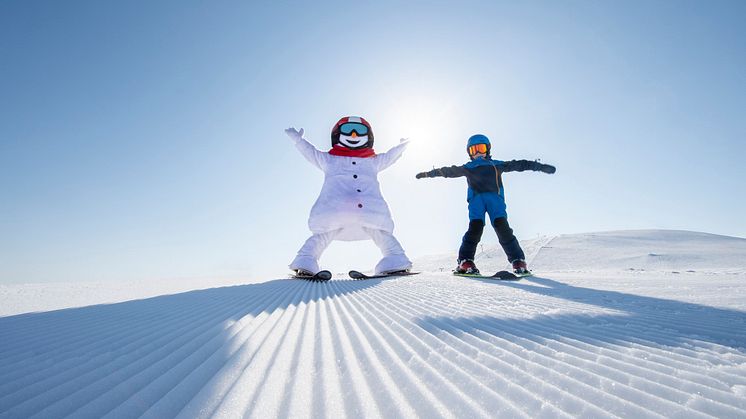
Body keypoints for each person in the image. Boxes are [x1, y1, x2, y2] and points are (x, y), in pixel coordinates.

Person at [285, 116, 412, 276]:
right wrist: (298, 140)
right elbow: (311, 153)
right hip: (351, 212)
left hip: (354, 212)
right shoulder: (329, 160)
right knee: (328, 235)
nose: (353, 135)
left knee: (330, 235)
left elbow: (390, 156)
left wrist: (402, 146)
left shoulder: (372, 161)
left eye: (359, 131)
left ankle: (395, 260)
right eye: (347, 130)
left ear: (368, 137)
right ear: (338, 134)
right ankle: (306, 262)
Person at [415, 134, 556, 275]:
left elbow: (519, 164)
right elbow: (448, 171)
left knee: (503, 228)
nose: (477, 153)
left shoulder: (496, 164)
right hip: (477, 201)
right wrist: (428, 173)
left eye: (480, 149)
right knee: (475, 229)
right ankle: (466, 261)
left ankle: (518, 260)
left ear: (487, 149)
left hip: (495, 200)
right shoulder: (468, 167)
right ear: (469, 153)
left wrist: (539, 166)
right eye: (473, 150)